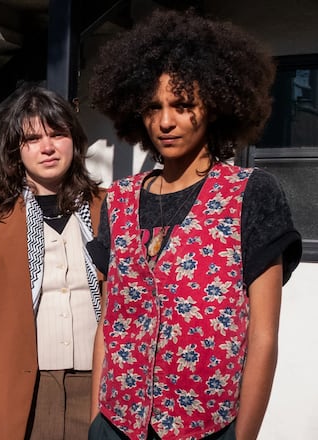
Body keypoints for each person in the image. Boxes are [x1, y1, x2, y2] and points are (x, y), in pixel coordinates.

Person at [88, 10, 302, 440]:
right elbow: (110, 322)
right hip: (116, 424)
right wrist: (98, 416)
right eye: (153, 107)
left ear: (216, 106)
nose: (166, 121)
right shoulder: (121, 198)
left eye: (183, 105)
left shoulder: (251, 194)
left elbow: (262, 334)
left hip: (207, 428)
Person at [0, 86, 105, 440]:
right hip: (23, 395)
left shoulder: (110, 208)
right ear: (16, 151)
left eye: (57, 134)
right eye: (32, 139)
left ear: (74, 141)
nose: (47, 147)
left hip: (100, 390)